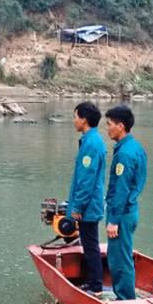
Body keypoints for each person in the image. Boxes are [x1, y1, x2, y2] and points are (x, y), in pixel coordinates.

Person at [104, 105, 147, 301]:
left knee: (119, 259)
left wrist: (114, 220)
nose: (107, 128)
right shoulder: (136, 147)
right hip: (130, 211)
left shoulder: (124, 154)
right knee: (123, 255)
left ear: (120, 126)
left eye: (109, 124)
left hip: (121, 214)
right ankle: (125, 296)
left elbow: (121, 189)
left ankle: (126, 300)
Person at [66, 102, 106, 294]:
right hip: (90, 204)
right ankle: (92, 282)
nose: (73, 121)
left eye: (75, 117)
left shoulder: (91, 144)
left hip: (88, 207)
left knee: (90, 246)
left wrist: (78, 207)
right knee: (90, 244)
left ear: (84, 119)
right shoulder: (92, 141)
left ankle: (96, 285)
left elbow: (86, 180)